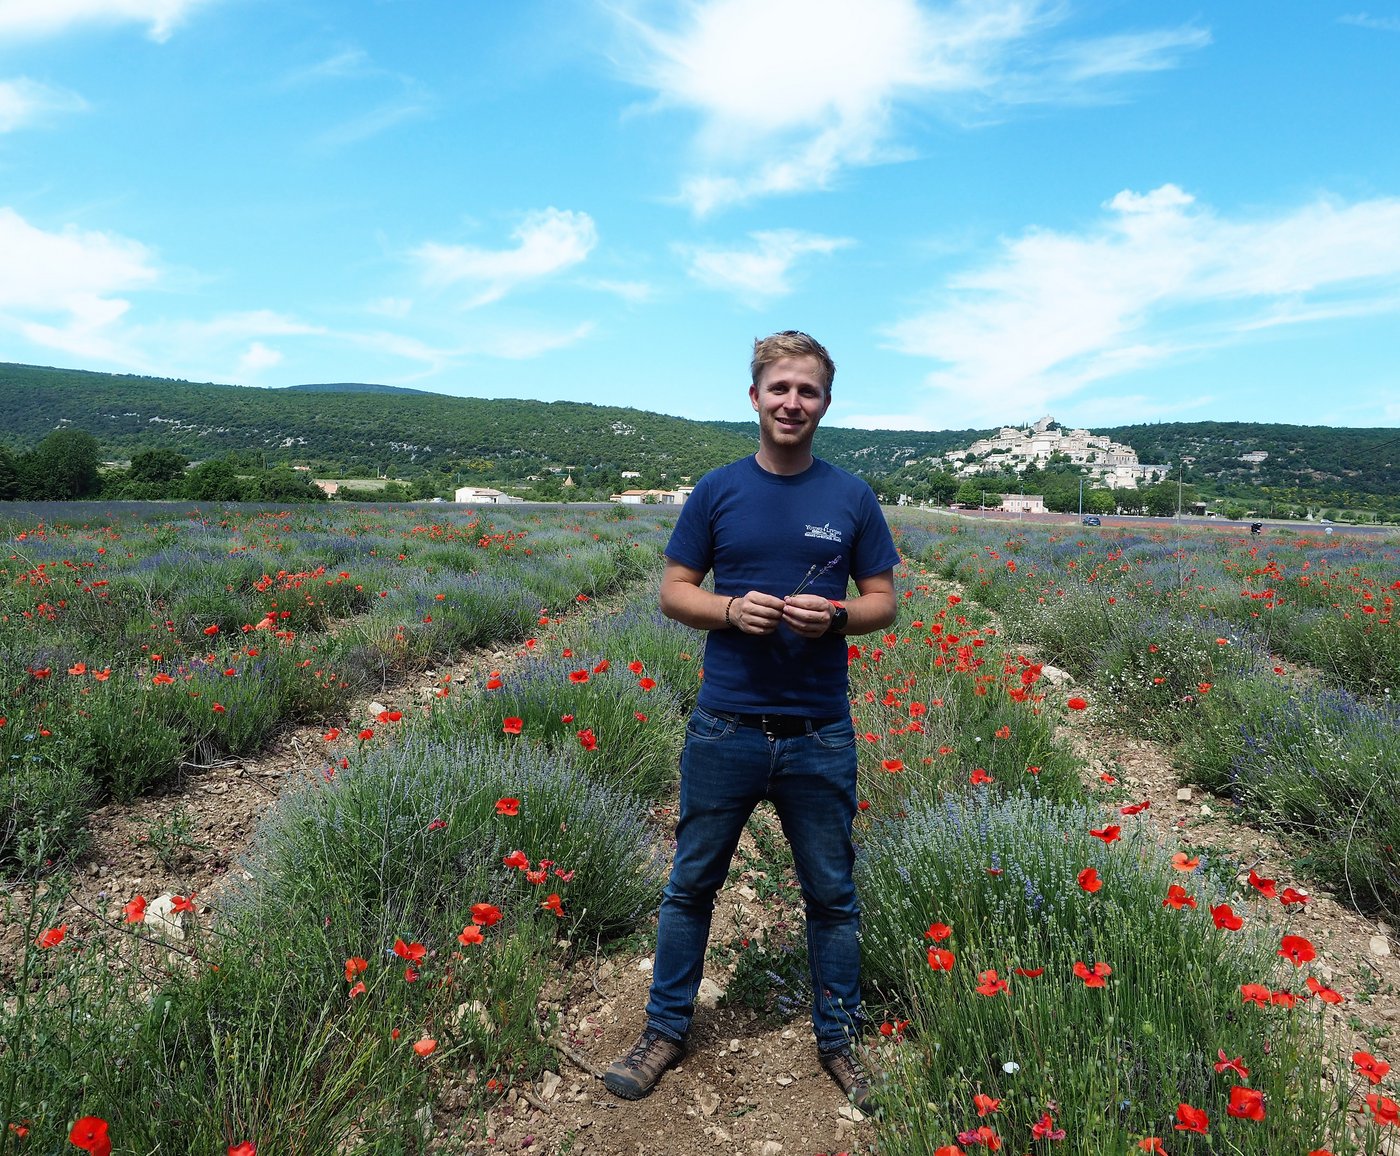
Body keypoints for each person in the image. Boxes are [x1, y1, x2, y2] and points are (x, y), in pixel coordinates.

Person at [602, 331, 899, 1110]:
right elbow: (673, 590)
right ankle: (665, 1031)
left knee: (831, 894)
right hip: (725, 727)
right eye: (780, 389)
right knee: (691, 885)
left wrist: (834, 618)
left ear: (826, 403)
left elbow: (884, 603)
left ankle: (838, 1039)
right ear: (755, 397)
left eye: (807, 391)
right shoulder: (717, 491)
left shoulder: (852, 497)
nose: (792, 402)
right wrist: (732, 609)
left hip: (819, 735)